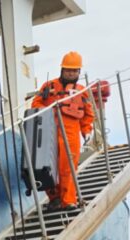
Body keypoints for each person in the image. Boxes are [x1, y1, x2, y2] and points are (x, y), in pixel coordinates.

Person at [32, 51, 95, 211]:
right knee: (47, 167)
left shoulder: (82, 91)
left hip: (71, 134)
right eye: (68, 69)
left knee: (68, 169)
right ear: (62, 69)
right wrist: (44, 109)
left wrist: (87, 131)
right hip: (49, 132)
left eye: (74, 70)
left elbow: (88, 114)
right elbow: (36, 104)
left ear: (79, 72)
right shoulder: (49, 86)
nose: (71, 73)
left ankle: (68, 201)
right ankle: (54, 199)